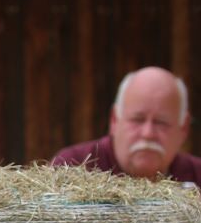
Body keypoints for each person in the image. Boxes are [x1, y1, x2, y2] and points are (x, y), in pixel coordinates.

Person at [52, 67, 200, 184]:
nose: (147, 133)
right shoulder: (72, 166)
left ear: (184, 128)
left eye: (161, 122)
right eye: (137, 119)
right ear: (115, 119)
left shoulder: (197, 177)